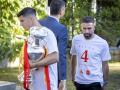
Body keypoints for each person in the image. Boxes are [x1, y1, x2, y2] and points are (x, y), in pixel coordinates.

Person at [17, 7, 59, 90]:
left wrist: (34, 65)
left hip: (46, 85)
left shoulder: (47, 33)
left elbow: (55, 57)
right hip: (34, 86)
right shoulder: (31, 36)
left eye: (22, 21)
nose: (21, 24)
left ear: (31, 19)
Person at [70, 16, 111, 90]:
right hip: (79, 81)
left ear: (94, 28)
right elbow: (73, 57)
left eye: (89, 28)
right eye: (84, 28)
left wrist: (105, 81)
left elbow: (105, 65)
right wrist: (72, 75)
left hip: (95, 81)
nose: (86, 31)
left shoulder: (102, 43)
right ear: (81, 28)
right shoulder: (76, 40)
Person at [39, 0, 68, 90]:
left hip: (37, 67)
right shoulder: (61, 29)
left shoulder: (39, 23)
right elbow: (61, 55)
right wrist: (62, 78)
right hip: (52, 71)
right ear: (61, 11)